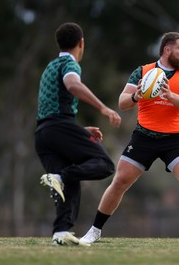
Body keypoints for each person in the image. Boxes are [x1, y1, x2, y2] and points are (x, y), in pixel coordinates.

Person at [81, 32, 179, 244]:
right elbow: (122, 102)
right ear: (167, 50)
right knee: (120, 181)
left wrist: (170, 96)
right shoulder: (143, 72)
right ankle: (94, 231)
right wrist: (135, 96)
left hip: (175, 138)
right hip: (144, 137)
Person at [34, 22, 121, 246]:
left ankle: (61, 232)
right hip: (59, 126)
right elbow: (72, 85)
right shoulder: (68, 64)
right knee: (104, 165)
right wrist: (103, 108)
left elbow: (49, 109)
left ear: (58, 43)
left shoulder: (49, 67)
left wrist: (79, 131)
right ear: (81, 43)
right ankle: (61, 177)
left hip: (44, 134)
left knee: (69, 182)